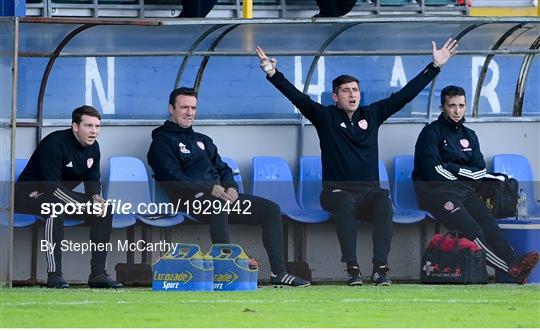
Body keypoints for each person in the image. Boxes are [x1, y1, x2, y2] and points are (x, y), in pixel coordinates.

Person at [256, 39, 458, 286]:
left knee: (384, 199)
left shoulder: (372, 115)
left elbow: (405, 95)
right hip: (335, 193)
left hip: (368, 193)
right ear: (335, 96)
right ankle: (352, 268)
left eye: (355, 90)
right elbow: (297, 97)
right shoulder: (325, 116)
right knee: (345, 201)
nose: (352, 94)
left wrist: (434, 66)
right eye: (346, 91)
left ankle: (379, 268)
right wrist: (273, 73)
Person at [147, 87, 310, 287]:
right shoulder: (161, 141)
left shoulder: (203, 141)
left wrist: (231, 186)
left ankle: (280, 273)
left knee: (270, 209)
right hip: (189, 199)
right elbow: (171, 176)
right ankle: (225, 271)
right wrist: (209, 188)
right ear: (171, 108)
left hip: (218, 196)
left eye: (193, 108)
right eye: (184, 107)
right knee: (218, 204)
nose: (189, 112)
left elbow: (223, 168)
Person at [412, 85, 539, 284]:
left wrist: (452, 168)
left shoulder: (469, 135)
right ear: (442, 107)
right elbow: (433, 171)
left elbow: (479, 170)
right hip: (436, 194)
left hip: (463, 192)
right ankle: (511, 267)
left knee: (488, 222)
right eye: (452, 105)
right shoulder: (430, 133)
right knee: (474, 231)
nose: (457, 110)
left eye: (461, 105)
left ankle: (513, 261)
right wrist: (462, 173)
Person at [15, 106, 122, 289]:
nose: (94, 131)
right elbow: (52, 187)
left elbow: (92, 182)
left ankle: (98, 274)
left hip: (59, 196)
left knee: (105, 210)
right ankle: (54, 275)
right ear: (75, 127)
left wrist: (97, 199)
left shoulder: (93, 148)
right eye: (88, 126)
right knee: (55, 208)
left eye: (97, 126)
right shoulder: (54, 143)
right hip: (28, 195)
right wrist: (85, 205)